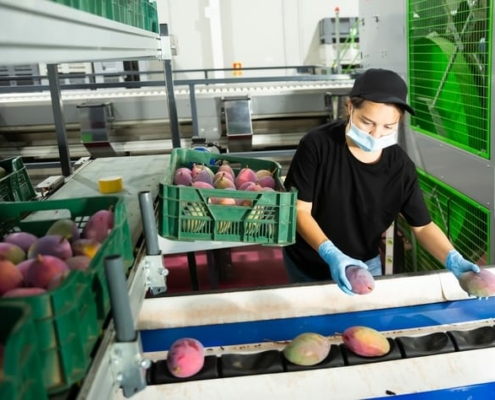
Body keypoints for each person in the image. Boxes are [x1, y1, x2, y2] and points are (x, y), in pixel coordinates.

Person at [282, 68, 481, 295]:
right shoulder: (317, 145)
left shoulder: (400, 167)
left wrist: (452, 258)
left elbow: (423, 226)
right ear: (349, 107)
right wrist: (331, 253)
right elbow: (299, 210)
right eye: (367, 122)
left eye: (388, 127)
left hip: (364, 266)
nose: (376, 135)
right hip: (308, 262)